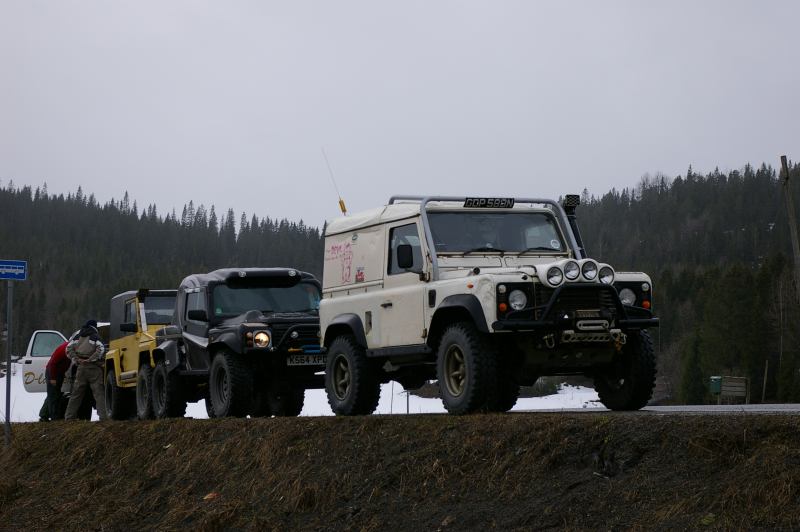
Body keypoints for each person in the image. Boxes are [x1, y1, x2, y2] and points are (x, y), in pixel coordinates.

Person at [64, 320, 107, 421]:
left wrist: (77, 359)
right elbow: (101, 349)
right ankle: (104, 417)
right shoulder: (94, 336)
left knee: (76, 394)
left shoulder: (78, 336)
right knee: (99, 393)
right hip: (94, 368)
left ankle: (69, 417)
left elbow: (68, 349)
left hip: (81, 368)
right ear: (94, 327)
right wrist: (90, 359)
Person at [37, 340, 70, 421]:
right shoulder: (64, 349)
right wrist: (52, 378)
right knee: (53, 396)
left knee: (55, 394)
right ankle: (55, 418)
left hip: (60, 373)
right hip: (52, 373)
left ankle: (43, 415)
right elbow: (52, 363)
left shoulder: (71, 348)